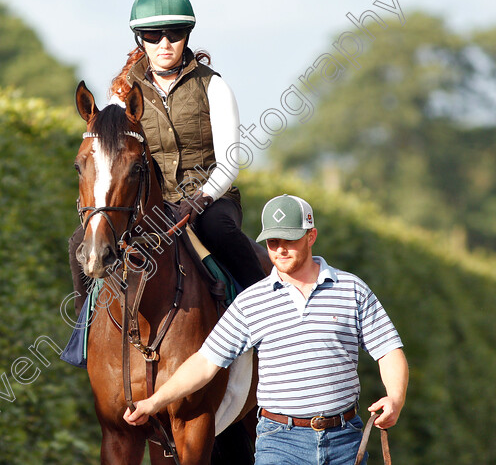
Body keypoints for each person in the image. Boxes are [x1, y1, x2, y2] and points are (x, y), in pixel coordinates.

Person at [123, 194, 409, 465]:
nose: (281, 249)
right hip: (279, 444)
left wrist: (395, 398)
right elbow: (205, 362)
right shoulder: (251, 301)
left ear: (311, 236)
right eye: (273, 241)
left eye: (290, 239)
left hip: (345, 440)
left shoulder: (352, 290)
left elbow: (388, 350)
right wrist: (153, 402)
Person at [68, 0, 265, 315]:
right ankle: (84, 331)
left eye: (174, 34)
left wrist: (199, 200)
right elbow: (107, 159)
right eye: (153, 35)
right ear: (140, 39)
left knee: (218, 229)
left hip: (209, 200)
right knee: (77, 244)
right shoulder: (121, 95)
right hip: (151, 205)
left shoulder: (214, 86)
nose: (164, 43)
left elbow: (230, 161)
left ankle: (266, 313)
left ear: (187, 35)